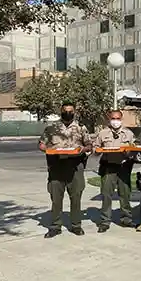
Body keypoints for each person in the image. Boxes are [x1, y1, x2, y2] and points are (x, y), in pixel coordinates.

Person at [38, 102, 92, 238]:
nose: (68, 113)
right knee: (56, 199)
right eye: (65, 111)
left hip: (75, 167)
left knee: (76, 197)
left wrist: (83, 149)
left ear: (74, 112)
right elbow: (41, 144)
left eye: (70, 111)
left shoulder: (81, 128)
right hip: (56, 167)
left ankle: (76, 225)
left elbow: (89, 145)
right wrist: (46, 149)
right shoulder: (52, 128)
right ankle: (55, 226)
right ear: (60, 112)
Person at [94, 110, 136, 232]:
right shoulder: (103, 133)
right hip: (108, 167)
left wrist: (129, 152)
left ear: (121, 119)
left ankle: (126, 218)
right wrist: (97, 151)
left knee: (125, 193)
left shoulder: (128, 133)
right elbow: (95, 147)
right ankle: (105, 221)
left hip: (123, 167)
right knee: (107, 194)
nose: (115, 121)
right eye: (113, 118)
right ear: (109, 119)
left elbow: (134, 149)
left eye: (118, 118)